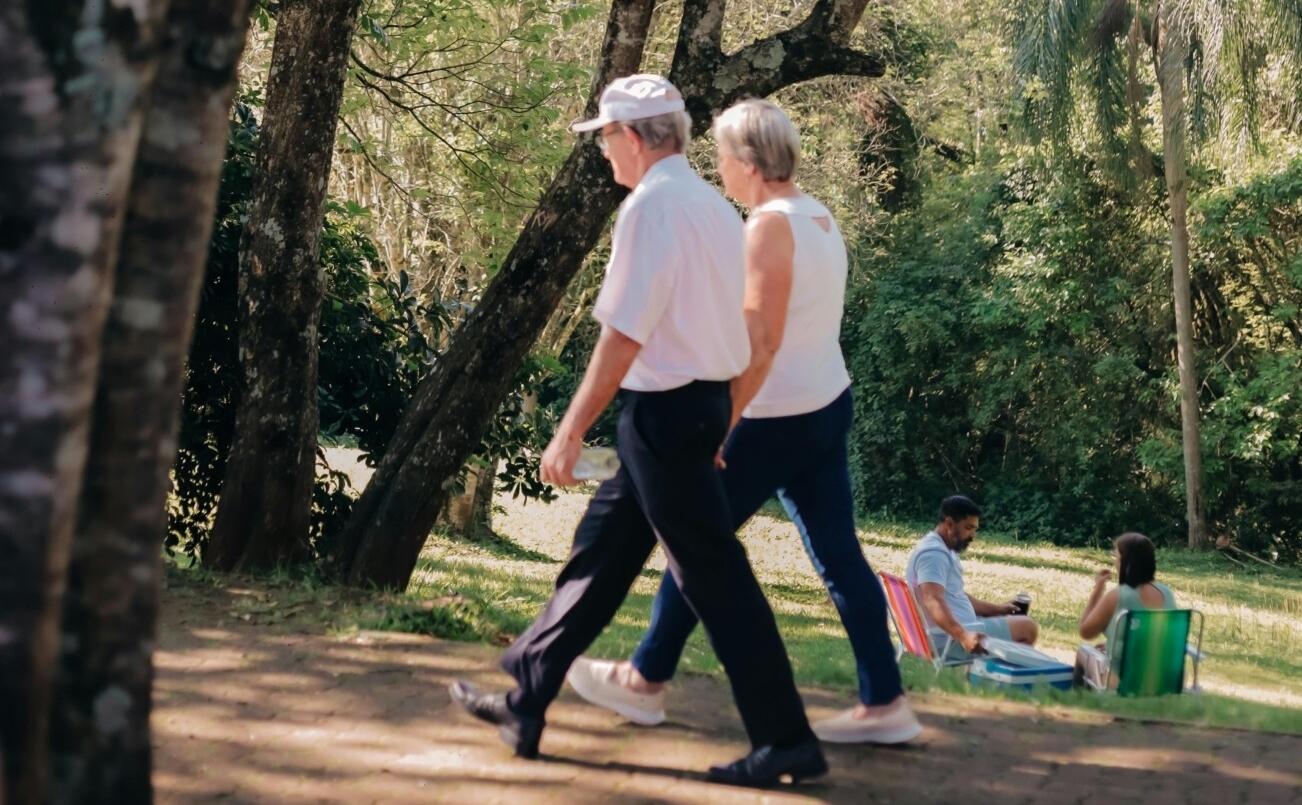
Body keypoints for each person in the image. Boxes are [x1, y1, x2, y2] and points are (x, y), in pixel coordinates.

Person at [447, 75, 827, 788]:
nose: (603, 155)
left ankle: (785, 738)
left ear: (632, 137)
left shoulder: (651, 209)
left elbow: (623, 336)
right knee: (601, 555)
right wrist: (718, 416)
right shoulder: (715, 209)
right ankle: (526, 698)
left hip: (664, 416)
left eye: (605, 140)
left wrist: (568, 431)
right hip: (692, 409)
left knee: (715, 576)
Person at [564, 98, 919, 746]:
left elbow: (761, 343)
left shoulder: (767, 227)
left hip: (771, 418)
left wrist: (723, 424)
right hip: (825, 406)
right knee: (840, 557)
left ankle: (644, 678)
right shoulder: (818, 217)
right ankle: (885, 700)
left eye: (724, 157)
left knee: (698, 545)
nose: (719, 169)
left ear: (749, 162)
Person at [905, 496, 1038, 660]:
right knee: (1028, 627)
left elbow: (955, 596)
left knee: (1017, 620)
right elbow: (932, 600)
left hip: (951, 632)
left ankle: (988, 677)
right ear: (949, 524)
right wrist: (963, 636)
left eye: (975, 529)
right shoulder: (934, 554)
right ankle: (995, 678)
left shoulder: (942, 548)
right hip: (945, 640)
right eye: (968, 528)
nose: (973, 535)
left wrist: (998, 609)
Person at [1074, 532, 1176, 687]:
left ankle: (1080, 705)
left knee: (1084, 651)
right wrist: (1113, 644)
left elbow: (1085, 631)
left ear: (1124, 562)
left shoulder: (1118, 596)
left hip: (1123, 681)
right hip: (1163, 680)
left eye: (1116, 556)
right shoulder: (1167, 593)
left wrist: (1098, 589)